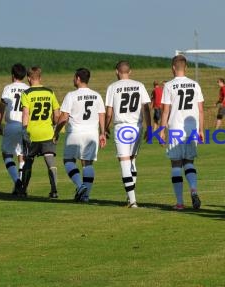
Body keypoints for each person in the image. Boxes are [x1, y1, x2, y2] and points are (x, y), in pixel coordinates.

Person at [53, 68, 106, 203]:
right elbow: (101, 115)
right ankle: (85, 196)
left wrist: (56, 131)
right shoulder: (97, 95)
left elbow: (64, 116)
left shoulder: (71, 95)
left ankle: (80, 186)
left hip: (75, 133)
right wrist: (103, 133)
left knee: (68, 161)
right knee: (87, 163)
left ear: (77, 78)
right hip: (92, 134)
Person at [159, 55, 205, 210]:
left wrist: (161, 130)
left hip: (176, 129)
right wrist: (201, 129)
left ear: (173, 67)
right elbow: (200, 110)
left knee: (176, 164)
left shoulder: (169, 86)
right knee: (189, 163)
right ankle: (193, 190)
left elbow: (165, 111)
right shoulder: (195, 85)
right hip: (191, 129)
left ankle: (179, 203)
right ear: (186, 68)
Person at [104, 60, 152, 208]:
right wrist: (149, 128)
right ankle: (129, 197)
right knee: (132, 161)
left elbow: (109, 113)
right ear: (130, 72)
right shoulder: (139, 85)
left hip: (122, 127)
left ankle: (132, 201)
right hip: (137, 127)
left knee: (124, 162)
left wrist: (105, 128)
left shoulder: (113, 87)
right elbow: (146, 108)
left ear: (116, 72)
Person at [20, 66, 61, 198]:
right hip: (47, 132)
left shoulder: (26, 94)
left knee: (28, 161)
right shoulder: (49, 92)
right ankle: (54, 191)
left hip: (32, 133)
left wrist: (24, 129)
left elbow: (26, 113)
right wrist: (55, 125)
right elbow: (56, 113)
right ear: (40, 77)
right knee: (50, 161)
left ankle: (23, 190)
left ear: (28, 78)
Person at [0, 63, 29, 196]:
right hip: (24, 125)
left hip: (11, 125)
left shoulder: (8, 88)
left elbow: (1, 107)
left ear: (12, 75)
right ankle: (21, 185)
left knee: (7, 154)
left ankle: (17, 182)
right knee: (22, 156)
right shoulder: (28, 89)